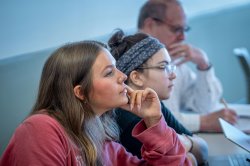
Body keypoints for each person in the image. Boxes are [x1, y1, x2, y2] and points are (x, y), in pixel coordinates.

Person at [0, 40, 191, 166]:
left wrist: (154, 121)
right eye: (109, 72)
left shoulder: (100, 137)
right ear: (80, 92)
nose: (122, 76)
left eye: (116, 68)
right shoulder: (40, 128)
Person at [108, 29, 208, 165]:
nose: (173, 75)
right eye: (163, 67)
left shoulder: (153, 104)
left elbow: (203, 149)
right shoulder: (129, 121)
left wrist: (183, 141)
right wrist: (184, 143)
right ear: (136, 77)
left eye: (171, 67)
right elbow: (187, 161)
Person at [137, 0, 238, 132]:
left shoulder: (172, 60)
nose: (183, 37)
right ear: (150, 25)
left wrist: (203, 65)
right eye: (176, 29)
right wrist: (205, 122)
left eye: (185, 29)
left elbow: (202, 106)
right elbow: (157, 120)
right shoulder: (134, 62)